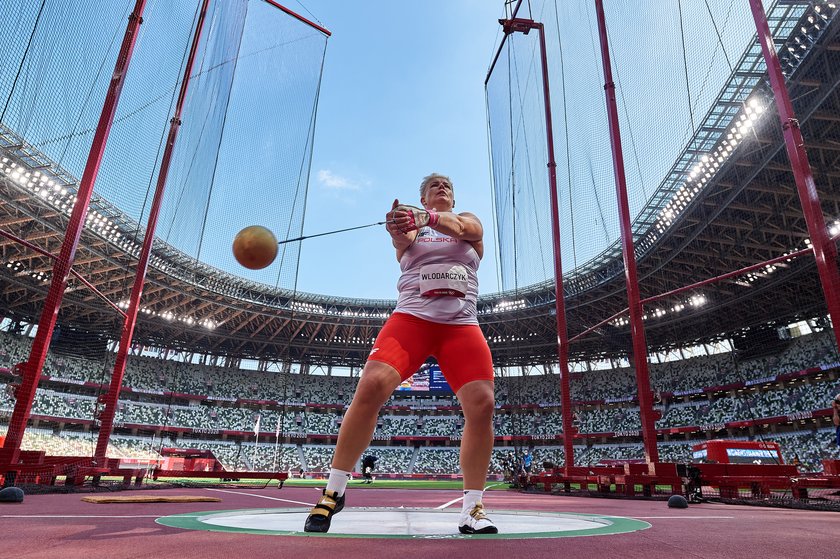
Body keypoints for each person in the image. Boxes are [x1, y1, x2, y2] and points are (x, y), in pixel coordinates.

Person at [304, 173, 497, 534]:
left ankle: (472, 508)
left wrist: (431, 219)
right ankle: (333, 492)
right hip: (412, 320)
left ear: (453, 198)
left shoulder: (468, 222)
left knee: (483, 403)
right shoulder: (415, 229)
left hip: (461, 326)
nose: (442, 188)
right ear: (422, 199)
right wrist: (399, 227)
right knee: (372, 384)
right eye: (433, 186)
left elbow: (468, 228)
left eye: (447, 186)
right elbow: (402, 238)